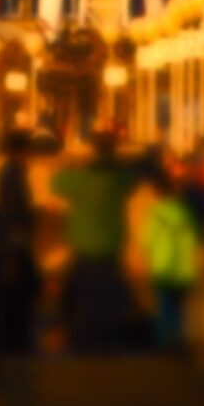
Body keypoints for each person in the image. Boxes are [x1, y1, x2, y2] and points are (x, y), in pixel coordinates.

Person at [50, 131, 143, 353]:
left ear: (93, 150)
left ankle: (84, 340)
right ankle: (108, 340)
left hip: (83, 246)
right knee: (110, 299)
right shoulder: (121, 179)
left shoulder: (80, 179)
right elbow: (134, 181)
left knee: (84, 297)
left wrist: (74, 162)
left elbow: (56, 183)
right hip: (111, 245)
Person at [0, 145, 42, 355]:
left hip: (7, 248)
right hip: (12, 248)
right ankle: (15, 343)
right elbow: (15, 213)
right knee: (20, 295)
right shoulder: (13, 177)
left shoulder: (7, 175)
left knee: (8, 298)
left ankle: (6, 342)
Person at [142, 168, 202, 353]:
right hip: (185, 269)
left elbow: (147, 240)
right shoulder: (185, 212)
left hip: (163, 268)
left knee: (165, 309)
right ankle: (182, 341)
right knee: (182, 309)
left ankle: (166, 343)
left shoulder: (156, 213)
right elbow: (195, 239)